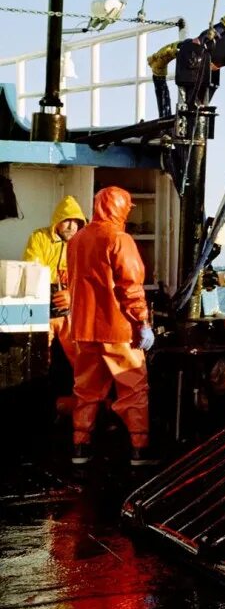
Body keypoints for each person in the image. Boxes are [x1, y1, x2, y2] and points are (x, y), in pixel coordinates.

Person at [67, 186, 156, 466]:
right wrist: (142, 321)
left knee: (86, 390)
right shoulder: (120, 239)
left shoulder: (77, 239)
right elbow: (130, 286)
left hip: (83, 329)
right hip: (118, 330)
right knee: (133, 388)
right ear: (120, 208)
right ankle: (139, 450)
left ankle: (80, 447)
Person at [22, 194, 87, 370]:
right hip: (42, 308)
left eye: (77, 222)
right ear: (57, 221)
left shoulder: (83, 243)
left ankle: (85, 396)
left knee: (80, 355)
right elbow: (32, 270)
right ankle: (41, 393)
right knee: (40, 354)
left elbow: (88, 277)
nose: (72, 226)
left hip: (71, 310)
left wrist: (71, 294)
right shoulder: (39, 237)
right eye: (67, 220)